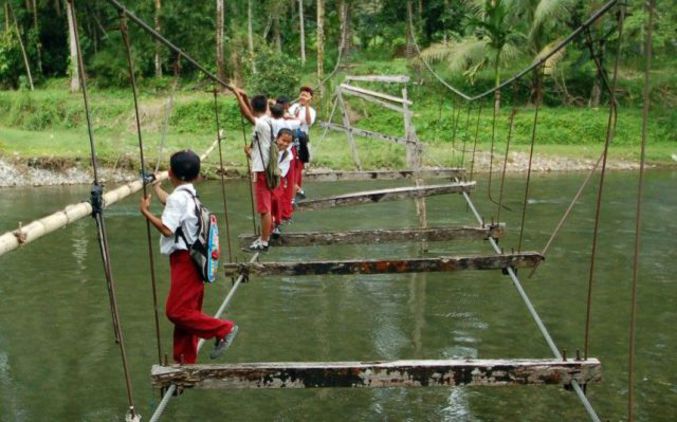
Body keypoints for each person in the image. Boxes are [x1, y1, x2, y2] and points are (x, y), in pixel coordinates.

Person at [139, 149, 238, 364]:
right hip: (196, 260)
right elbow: (171, 202)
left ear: (171, 173)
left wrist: (146, 212)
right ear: (196, 175)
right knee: (188, 313)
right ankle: (184, 361)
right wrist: (157, 187)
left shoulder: (179, 198)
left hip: (184, 261)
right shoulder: (189, 195)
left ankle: (224, 328)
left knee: (176, 312)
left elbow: (167, 229)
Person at [233, 88, 275, 251]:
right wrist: (244, 97)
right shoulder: (268, 119)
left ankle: (264, 241)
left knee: (264, 209)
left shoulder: (263, 123)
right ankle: (265, 236)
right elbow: (252, 113)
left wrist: (238, 97)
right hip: (267, 168)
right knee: (266, 207)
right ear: (266, 107)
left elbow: (248, 116)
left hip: (261, 170)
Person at [288, 86, 316, 201]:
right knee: (290, 165)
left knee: (298, 167)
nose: (303, 97)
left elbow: (309, 122)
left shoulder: (312, 111)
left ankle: (296, 192)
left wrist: (307, 106)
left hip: (302, 141)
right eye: (302, 94)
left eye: (306, 95)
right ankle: (295, 191)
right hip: (290, 139)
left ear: (310, 98)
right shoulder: (294, 107)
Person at [271, 128, 294, 237]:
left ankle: (277, 223)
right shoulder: (269, 148)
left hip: (277, 179)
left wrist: (276, 171)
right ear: (277, 138)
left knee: (277, 199)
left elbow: (282, 171)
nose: (285, 144)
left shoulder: (287, 154)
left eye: (288, 142)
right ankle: (270, 221)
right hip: (266, 177)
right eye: (283, 140)